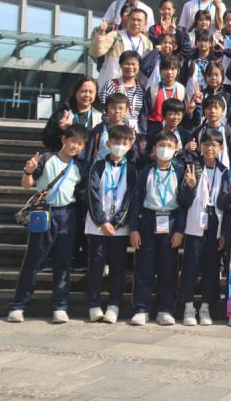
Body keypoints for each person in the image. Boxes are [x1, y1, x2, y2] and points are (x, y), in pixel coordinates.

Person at [7, 125, 88, 324]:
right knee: (33, 261)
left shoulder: (79, 167)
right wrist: (28, 171)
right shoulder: (46, 159)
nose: (75, 146)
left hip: (67, 214)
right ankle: (18, 306)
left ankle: (60, 307)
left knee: (63, 263)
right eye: (73, 141)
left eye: (80, 144)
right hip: (44, 212)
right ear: (64, 140)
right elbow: (27, 185)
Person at [129, 130, 186, 326]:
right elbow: (136, 200)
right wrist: (134, 228)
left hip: (170, 221)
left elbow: (184, 205)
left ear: (176, 150)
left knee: (168, 268)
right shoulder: (145, 172)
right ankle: (141, 308)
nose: (165, 150)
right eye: (161, 145)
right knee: (144, 266)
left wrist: (180, 230)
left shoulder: (180, 173)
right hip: (147, 219)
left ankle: (165, 309)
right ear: (154, 149)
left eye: (169, 146)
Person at [176, 130, 231, 326]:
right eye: (206, 144)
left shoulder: (224, 171)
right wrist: (190, 187)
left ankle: (206, 307)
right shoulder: (192, 167)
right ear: (200, 147)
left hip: (215, 222)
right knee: (190, 267)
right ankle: (188, 307)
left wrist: (224, 232)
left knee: (211, 268)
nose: (209, 148)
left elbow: (225, 205)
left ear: (221, 148)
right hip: (194, 223)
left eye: (214, 145)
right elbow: (182, 201)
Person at [83, 123, 137, 324]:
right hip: (97, 226)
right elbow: (92, 195)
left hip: (119, 228)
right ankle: (94, 304)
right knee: (96, 265)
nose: (120, 146)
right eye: (116, 141)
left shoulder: (132, 170)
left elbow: (130, 199)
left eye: (124, 142)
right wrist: (102, 221)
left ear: (130, 145)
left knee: (117, 266)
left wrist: (116, 222)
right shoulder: (97, 166)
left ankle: (114, 304)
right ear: (108, 143)